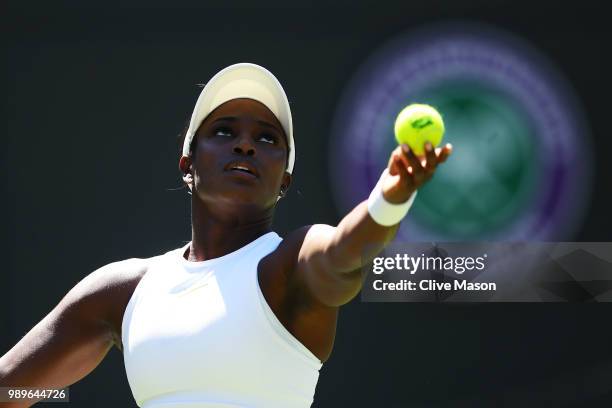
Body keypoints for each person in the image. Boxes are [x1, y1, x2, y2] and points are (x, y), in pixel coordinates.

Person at [0, 63, 452, 408]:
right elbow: (12, 390)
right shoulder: (122, 292)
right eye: (223, 131)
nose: (245, 144)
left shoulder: (290, 267)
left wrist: (390, 198)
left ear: (285, 181)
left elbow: (346, 252)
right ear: (187, 166)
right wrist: (61, 397)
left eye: (267, 138)